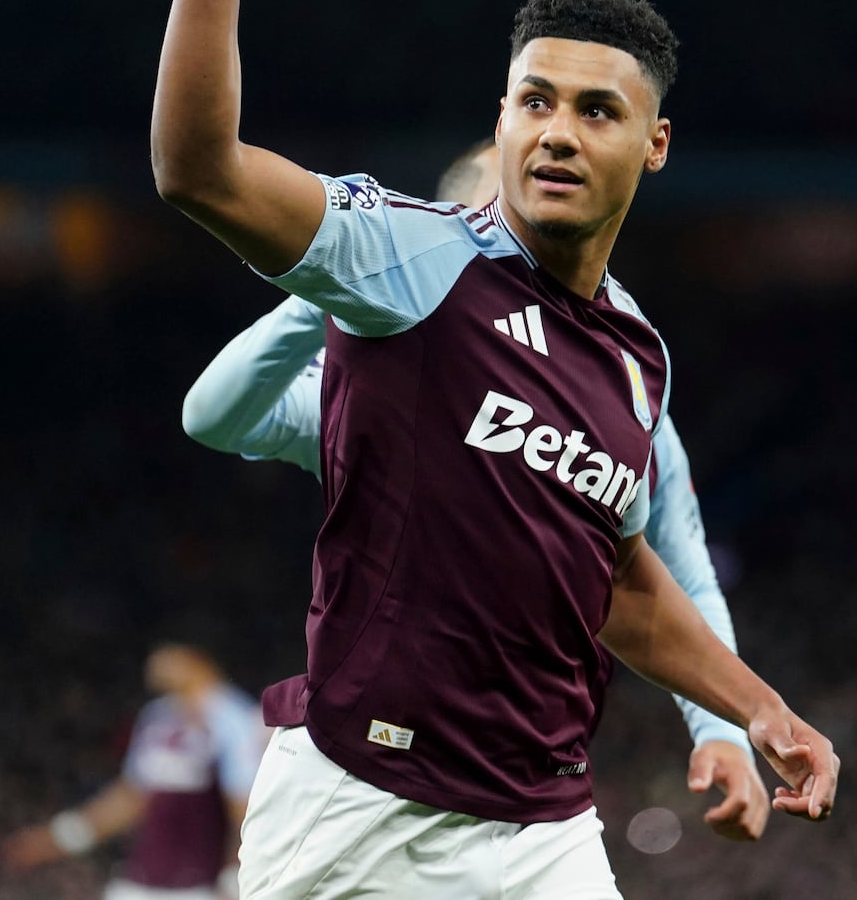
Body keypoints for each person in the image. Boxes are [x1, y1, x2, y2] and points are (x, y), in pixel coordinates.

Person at [153, 0, 838, 898]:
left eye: (595, 110)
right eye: (535, 101)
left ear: (654, 144)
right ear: (503, 118)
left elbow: (621, 581)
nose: (559, 130)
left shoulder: (635, 359)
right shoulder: (409, 258)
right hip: (349, 813)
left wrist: (754, 712)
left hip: (537, 835)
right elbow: (200, 174)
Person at [182, 138, 773, 842]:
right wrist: (328, 289)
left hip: (532, 790)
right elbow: (215, 416)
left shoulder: (624, 393)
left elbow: (675, 569)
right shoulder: (384, 382)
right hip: (369, 780)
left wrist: (723, 729)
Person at [0, 644, 267, 899]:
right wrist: (54, 840)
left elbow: (244, 807)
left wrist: (234, 880)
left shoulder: (233, 719)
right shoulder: (157, 716)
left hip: (198, 888)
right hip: (138, 884)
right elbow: (129, 800)